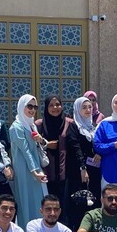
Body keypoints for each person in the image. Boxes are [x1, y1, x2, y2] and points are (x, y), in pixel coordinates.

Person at [36, 94, 81, 223]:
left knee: (64, 206)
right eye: (51, 105)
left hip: (66, 172)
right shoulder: (39, 125)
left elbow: (76, 146)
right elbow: (33, 147)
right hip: (45, 172)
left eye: (58, 104)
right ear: (46, 107)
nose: (55, 108)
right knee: (47, 204)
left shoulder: (69, 123)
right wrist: (46, 144)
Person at [10, 94, 48, 227]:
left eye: (35, 107)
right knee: (26, 201)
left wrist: (40, 140)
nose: (32, 110)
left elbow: (39, 146)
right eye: (29, 106)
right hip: (24, 169)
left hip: (35, 167)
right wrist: (34, 171)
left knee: (37, 199)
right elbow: (25, 150)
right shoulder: (16, 127)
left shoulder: (31, 125)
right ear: (22, 107)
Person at [69, 96, 100, 231]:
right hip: (80, 171)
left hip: (94, 170)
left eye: (90, 107)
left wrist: (99, 153)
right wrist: (83, 168)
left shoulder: (92, 126)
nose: (88, 110)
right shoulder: (74, 126)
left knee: (93, 200)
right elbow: (76, 148)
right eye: (84, 107)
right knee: (80, 201)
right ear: (77, 109)